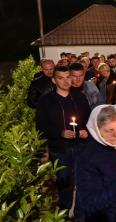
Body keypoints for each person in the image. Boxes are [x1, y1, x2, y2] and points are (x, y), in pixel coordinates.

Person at [35, 66, 91, 210]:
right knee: (64, 181)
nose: (66, 81)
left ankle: (81, 214)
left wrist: (86, 131)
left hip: (81, 145)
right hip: (60, 148)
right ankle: (64, 214)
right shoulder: (46, 101)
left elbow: (88, 118)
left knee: (83, 180)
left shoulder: (79, 97)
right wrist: (60, 132)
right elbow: (41, 126)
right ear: (54, 80)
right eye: (61, 78)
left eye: (68, 77)